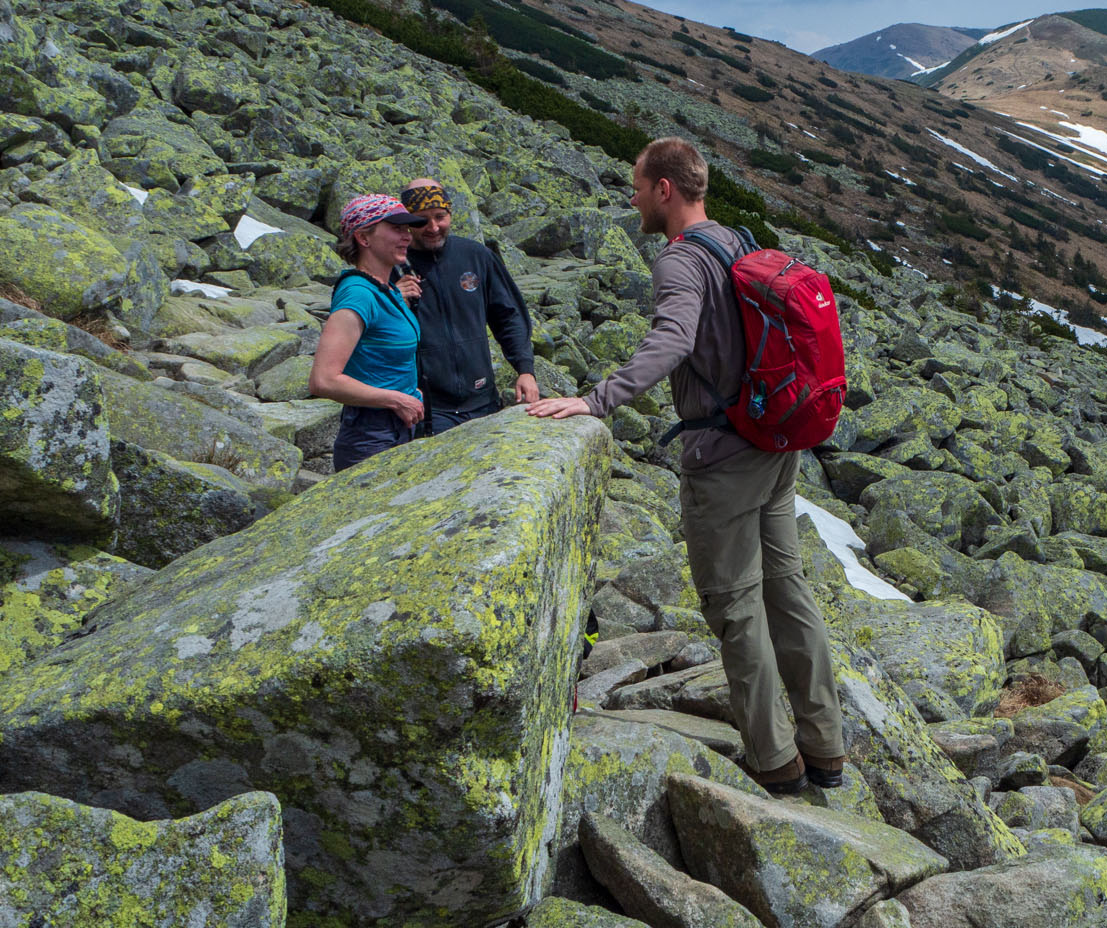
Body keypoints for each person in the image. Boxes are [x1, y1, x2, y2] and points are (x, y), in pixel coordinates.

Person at [529, 138, 845, 795]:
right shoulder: (734, 239)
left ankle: (775, 763)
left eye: (638, 185)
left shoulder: (678, 262)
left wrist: (595, 400)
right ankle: (826, 748)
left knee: (734, 609)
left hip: (724, 457)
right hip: (774, 442)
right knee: (788, 594)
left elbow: (671, 339)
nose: (634, 197)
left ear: (665, 189)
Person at [395, 178, 539, 434]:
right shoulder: (393, 265)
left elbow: (508, 317)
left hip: (483, 400)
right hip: (427, 409)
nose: (433, 227)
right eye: (421, 219)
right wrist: (393, 300)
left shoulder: (476, 256)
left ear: (450, 212)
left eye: (440, 216)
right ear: (406, 220)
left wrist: (525, 370)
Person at [310, 194, 429, 471]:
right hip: (371, 435)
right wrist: (396, 398)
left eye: (406, 229)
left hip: (396, 426)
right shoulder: (358, 294)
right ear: (364, 238)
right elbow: (323, 380)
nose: (407, 237)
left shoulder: (386, 289)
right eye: (396, 229)